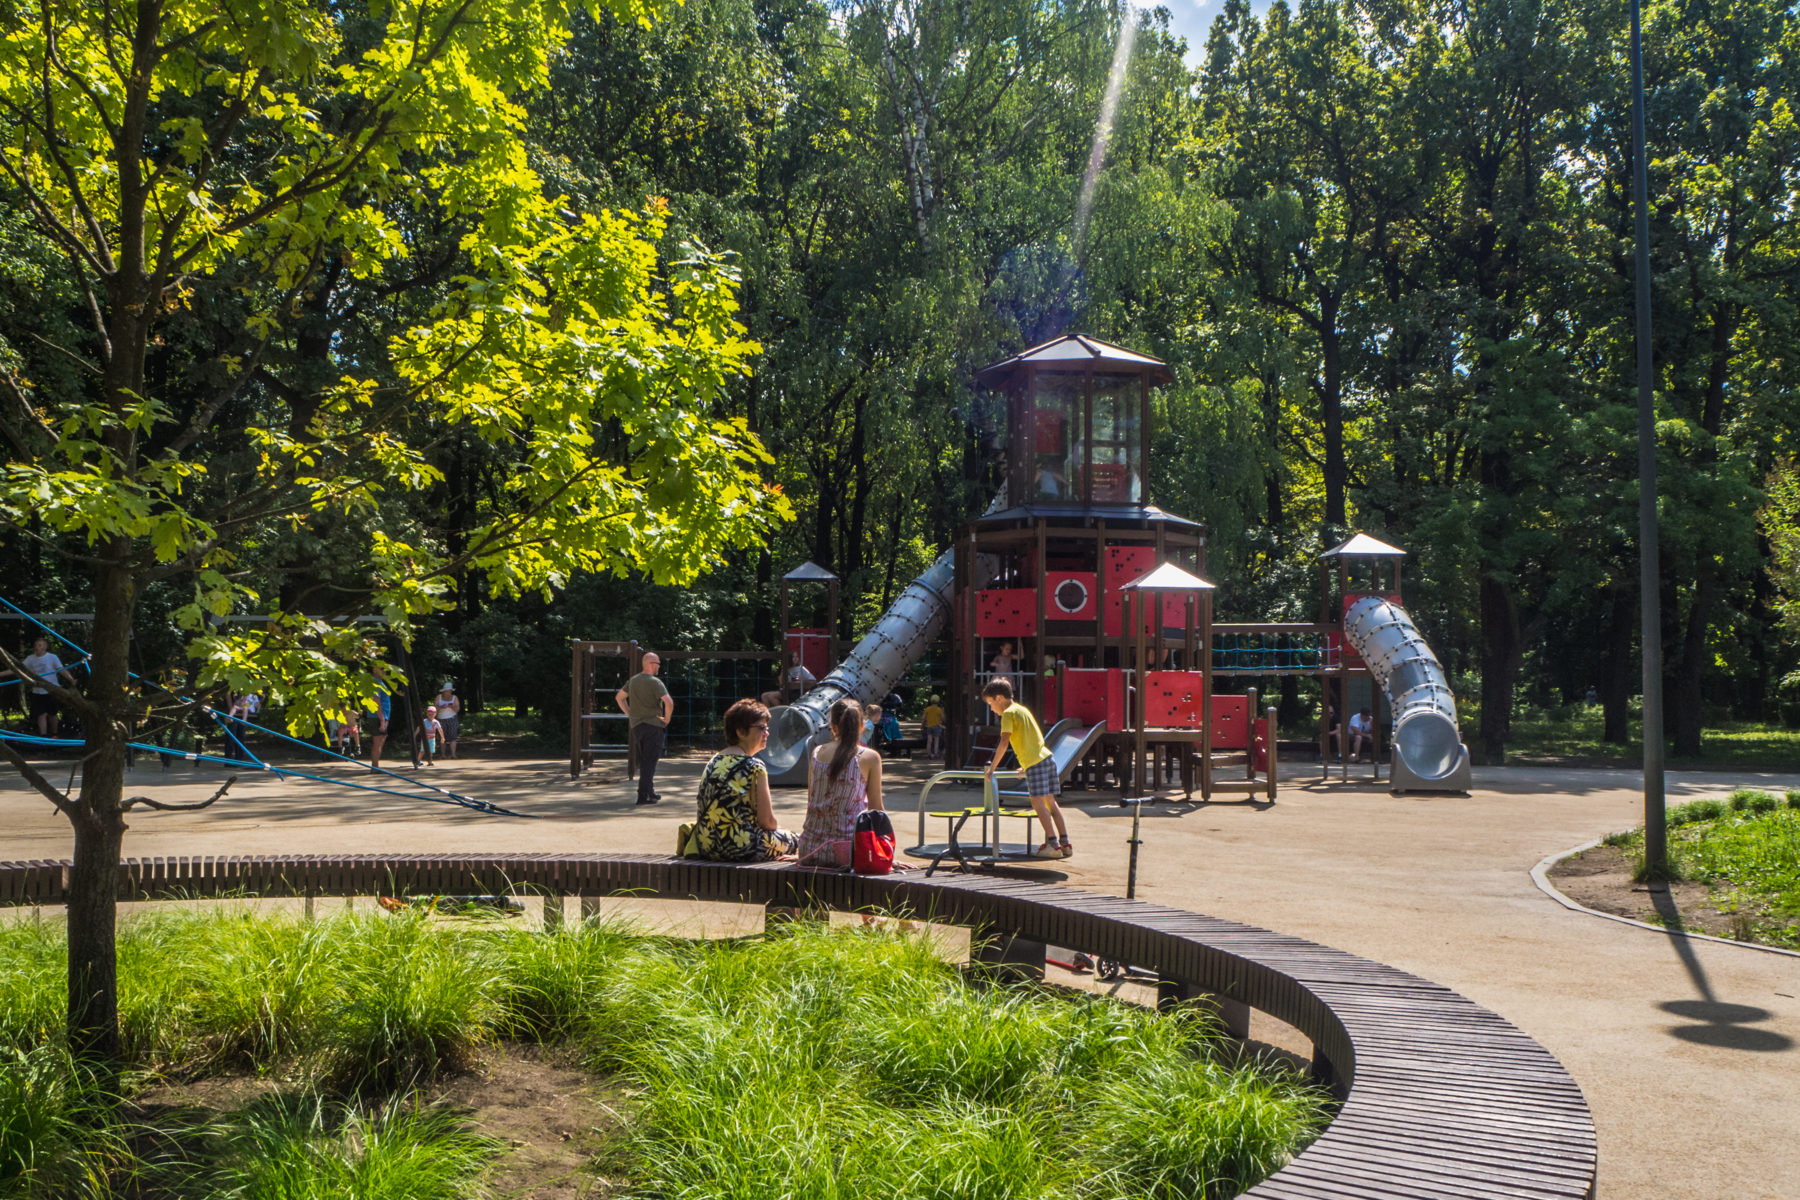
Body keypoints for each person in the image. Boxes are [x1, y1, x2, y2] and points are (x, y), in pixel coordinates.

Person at [692, 698, 798, 861]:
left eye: (767, 728)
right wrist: (780, 831)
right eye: (761, 728)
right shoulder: (754, 766)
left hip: (706, 845)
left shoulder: (714, 761)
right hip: (742, 847)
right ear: (740, 732)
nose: (766, 733)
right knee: (799, 840)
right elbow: (767, 821)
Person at [982, 677, 1070, 859]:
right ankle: (1065, 843)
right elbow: (1032, 739)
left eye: (991, 703)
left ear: (999, 698)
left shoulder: (1008, 714)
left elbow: (1004, 742)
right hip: (1046, 758)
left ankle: (1052, 845)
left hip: (1035, 762)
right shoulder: (1023, 710)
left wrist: (992, 768)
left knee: (1037, 803)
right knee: (1051, 802)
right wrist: (1026, 766)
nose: (991, 708)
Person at [796, 699, 883, 868]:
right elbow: (876, 810)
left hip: (810, 848)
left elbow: (811, 802)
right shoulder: (870, 757)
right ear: (862, 725)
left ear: (833, 726)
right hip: (849, 851)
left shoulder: (817, 752)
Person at [616, 651, 673, 806]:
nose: (659, 667)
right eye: (658, 664)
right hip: (653, 726)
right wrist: (667, 719)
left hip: (637, 727)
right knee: (650, 762)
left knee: (645, 759)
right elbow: (669, 702)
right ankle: (643, 796)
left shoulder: (633, 681)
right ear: (651, 664)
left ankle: (650, 792)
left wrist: (630, 713)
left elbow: (619, 697)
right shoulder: (655, 682)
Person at [15, 638, 77, 739]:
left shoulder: (52, 657)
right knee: (41, 714)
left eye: (39, 645)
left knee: (52, 714)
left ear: (45, 647)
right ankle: (43, 735)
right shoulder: (30, 659)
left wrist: (71, 679)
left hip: (52, 690)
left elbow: (61, 670)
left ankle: (54, 734)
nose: (36, 647)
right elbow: (17, 669)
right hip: (37, 691)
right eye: (35, 645)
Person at [435, 684, 461, 758]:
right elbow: (435, 707)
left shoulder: (454, 698)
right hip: (441, 719)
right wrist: (441, 707)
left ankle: (453, 754)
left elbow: (457, 709)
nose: (448, 692)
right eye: (446, 691)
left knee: (453, 736)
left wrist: (451, 706)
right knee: (442, 737)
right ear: (443, 691)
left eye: (449, 691)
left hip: (452, 718)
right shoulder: (438, 697)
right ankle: (443, 754)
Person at [921, 694, 945, 760]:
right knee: (936, 741)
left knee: (929, 741)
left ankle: (929, 754)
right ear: (938, 701)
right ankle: (935, 754)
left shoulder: (927, 709)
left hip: (929, 726)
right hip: (937, 727)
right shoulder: (939, 709)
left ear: (931, 701)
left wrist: (922, 726)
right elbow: (943, 719)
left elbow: (923, 718)